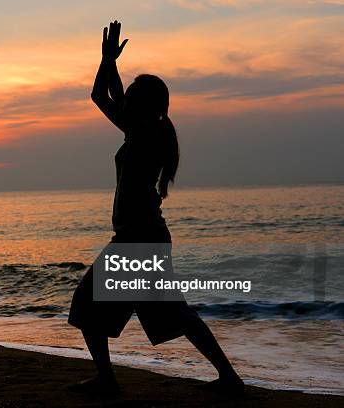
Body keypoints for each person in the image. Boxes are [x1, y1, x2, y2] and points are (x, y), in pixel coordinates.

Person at [68, 21, 244, 396]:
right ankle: (228, 377)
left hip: (138, 241)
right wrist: (109, 62)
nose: (126, 97)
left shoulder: (147, 134)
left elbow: (103, 96)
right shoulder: (146, 130)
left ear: (144, 105)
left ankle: (108, 379)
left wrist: (106, 61)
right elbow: (107, 94)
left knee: (89, 303)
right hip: (141, 238)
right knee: (172, 313)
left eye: (133, 94)